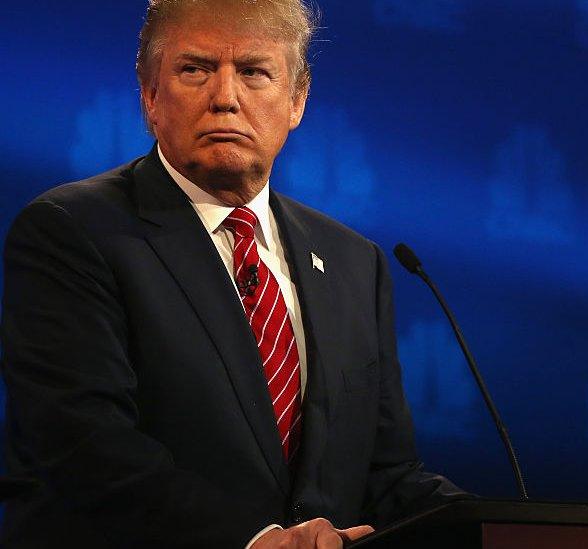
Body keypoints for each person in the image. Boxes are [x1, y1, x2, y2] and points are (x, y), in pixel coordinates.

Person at [0, 1, 463, 547]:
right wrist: (254, 539)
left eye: (253, 72)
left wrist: (501, 526)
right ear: (150, 95)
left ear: (297, 100)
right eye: (194, 69)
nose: (225, 98)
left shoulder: (352, 261)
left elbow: (387, 477)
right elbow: (85, 446)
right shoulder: (74, 231)